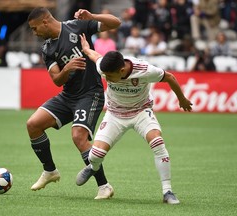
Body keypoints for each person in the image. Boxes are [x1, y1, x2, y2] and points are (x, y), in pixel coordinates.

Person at [76, 33, 193, 204]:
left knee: (158, 143)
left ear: (122, 70)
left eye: (110, 76)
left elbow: (170, 77)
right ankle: (92, 167)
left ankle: (167, 192)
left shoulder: (145, 70)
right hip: (115, 114)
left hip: (141, 111)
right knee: (96, 155)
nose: (106, 79)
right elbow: (96, 56)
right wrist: (86, 49)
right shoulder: (104, 67)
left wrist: (181, 99)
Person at [27, 7, 121, 199]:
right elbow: (57, 80)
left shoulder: (78, 27)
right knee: (33, 125)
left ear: (45, 22)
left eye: (35, 28)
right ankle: (50, 171)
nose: (34, 33)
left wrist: (93, 16)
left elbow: (116, 23)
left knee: (79, 137)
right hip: (68, 96)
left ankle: (104, 186)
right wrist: (67, 69)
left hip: (90, 93)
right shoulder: (47, 48)